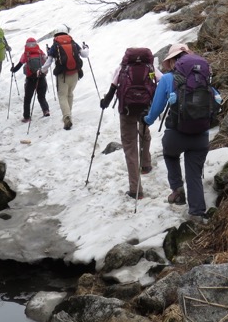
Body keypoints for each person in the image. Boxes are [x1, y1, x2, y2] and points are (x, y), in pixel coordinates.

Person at [142, 43, 210, 221]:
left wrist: (147, 120)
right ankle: (197, 213)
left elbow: (156, 108)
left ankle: (177, 190)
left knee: (170, 155)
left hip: (177, 134)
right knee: (194, 173)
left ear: (172, 61)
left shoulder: (167, 79)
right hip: (201, 135)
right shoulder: (204, 76)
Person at [100, 48, 162, 199]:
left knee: (130, 147)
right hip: (145, 108)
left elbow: (113, 87)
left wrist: (105, 102)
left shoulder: (122, 68)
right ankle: (146, 165)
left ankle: (136, 189)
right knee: (144, 132)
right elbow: (162, 81)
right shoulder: (151, 68)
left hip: (127, 110)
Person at [38, 31, 89, 130]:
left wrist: (41, 70)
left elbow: (48, 62)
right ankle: (69, 115)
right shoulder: (73, 43)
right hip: (75, 74)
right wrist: (86, 47)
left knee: (62, 96)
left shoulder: (56, 45)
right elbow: (84, 54)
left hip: (62, 76)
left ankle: (67, 118)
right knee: (70, 94)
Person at [11, 37, 50, 122]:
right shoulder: (40, 52)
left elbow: (20, 64)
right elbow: (47, 61)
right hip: (41, 77)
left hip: (30, 79)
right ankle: (46, 110)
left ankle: (27, 117)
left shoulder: (26, 54)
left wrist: (13, 70)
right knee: (41, 97)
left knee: (28, 99)